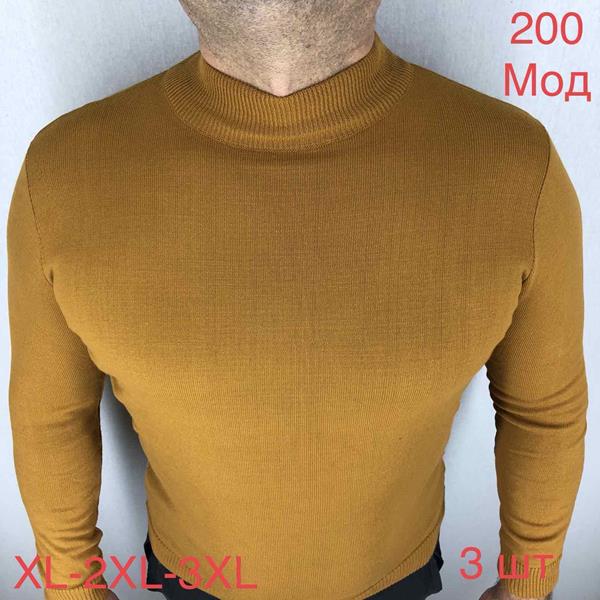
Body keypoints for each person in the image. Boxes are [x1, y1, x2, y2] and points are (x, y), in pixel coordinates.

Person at [6, 1, 587, 600]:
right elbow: (50, 415)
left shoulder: (519, 171)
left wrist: (528, 584)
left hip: (399, 574)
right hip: (195, 576)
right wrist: (72, 588)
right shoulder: (60, 176)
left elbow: (543, 410)